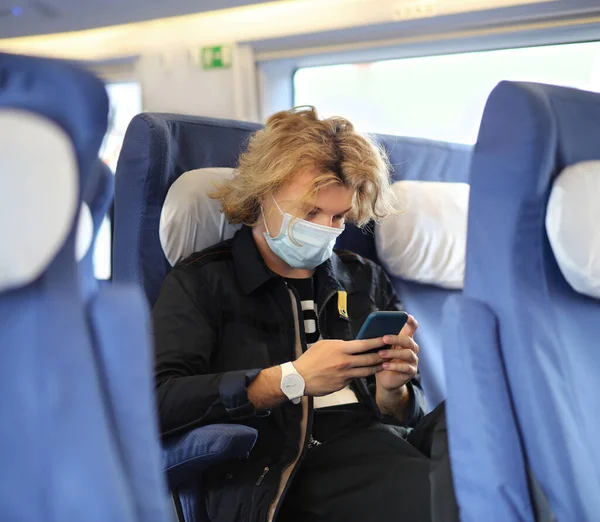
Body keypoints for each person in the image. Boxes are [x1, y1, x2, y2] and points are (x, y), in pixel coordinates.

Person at [152, 107, 457, 522]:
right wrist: (287, 380)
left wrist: (393, 393)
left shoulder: (362, 277)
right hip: (288, 467)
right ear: (263, 193)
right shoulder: (204, 283)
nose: (325, 229)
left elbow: (407, 413)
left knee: (481, 426)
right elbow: (157, 402)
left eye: (338, 217)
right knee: (442, 496)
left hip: (383, 446)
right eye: (310, 213)